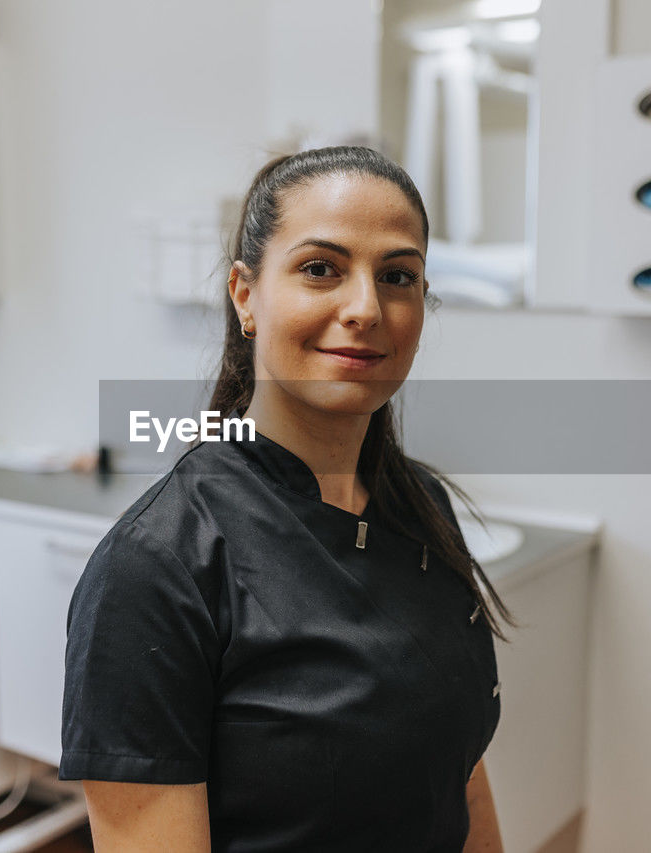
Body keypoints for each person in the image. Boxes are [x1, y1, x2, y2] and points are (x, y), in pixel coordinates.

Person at [61, 146, 515, 851]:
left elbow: (461, 773)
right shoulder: (158, 566)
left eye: (398, 276)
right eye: (321, 269)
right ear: (246, 295)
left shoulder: (421, 505)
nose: (365, 307)